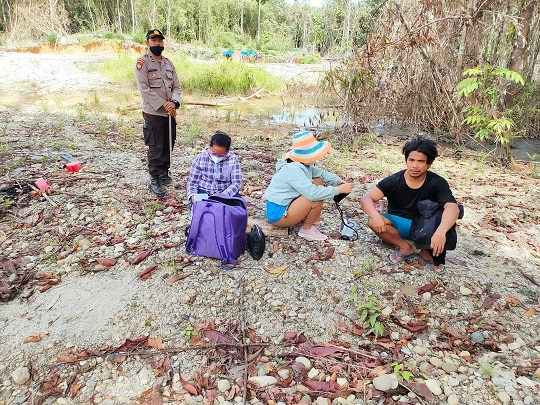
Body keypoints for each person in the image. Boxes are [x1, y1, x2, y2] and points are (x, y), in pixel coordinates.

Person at [360, 137, 460, 275]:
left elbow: (452, 207)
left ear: (429, 164)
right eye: (411, 160)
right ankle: (404, 247)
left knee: (444, 218)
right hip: (400, 225)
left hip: (426, 226)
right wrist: (375, 216)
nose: (415, 165)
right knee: (373, 221)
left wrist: (441, 232)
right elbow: (366, 198)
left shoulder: (437, 182)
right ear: (406, 160)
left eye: (421, 161)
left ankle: (426, 251)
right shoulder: (395, 180)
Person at [264, 131, 354, 241]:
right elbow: (313, 194)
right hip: (279, 215)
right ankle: (307, 229)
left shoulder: (301, 163)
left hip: (287, 205)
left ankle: (308, 222)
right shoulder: (293, 169)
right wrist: (338, 190)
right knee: (316, 196)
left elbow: (320, 173)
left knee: (318, 181)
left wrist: (338, 181)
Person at [135, 29, 182, 197]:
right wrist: (165, 104)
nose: (157, 43)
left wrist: (175, 103)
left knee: (169, 143)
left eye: (160, 40)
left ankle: (164, 172)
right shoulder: (142, 62)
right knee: (156, 145)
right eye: (153, 40)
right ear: (148, 42)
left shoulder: (168, 63)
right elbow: (144, 89)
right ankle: (154, 178)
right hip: (153, 112)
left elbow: (176, 87)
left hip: (170, 112)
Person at [186, 131, 242, 203]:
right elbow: (193, 182)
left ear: (227, 151)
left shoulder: (233, 159)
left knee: (237, 209)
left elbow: (237, 183)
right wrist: (192, 195)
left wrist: (223, 195)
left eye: (221, 155)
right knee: (202, 209)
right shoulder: (201, 158)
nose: (217, 156)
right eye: (214, 153)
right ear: (210, 147)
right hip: (204, 191)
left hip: (225, 191)